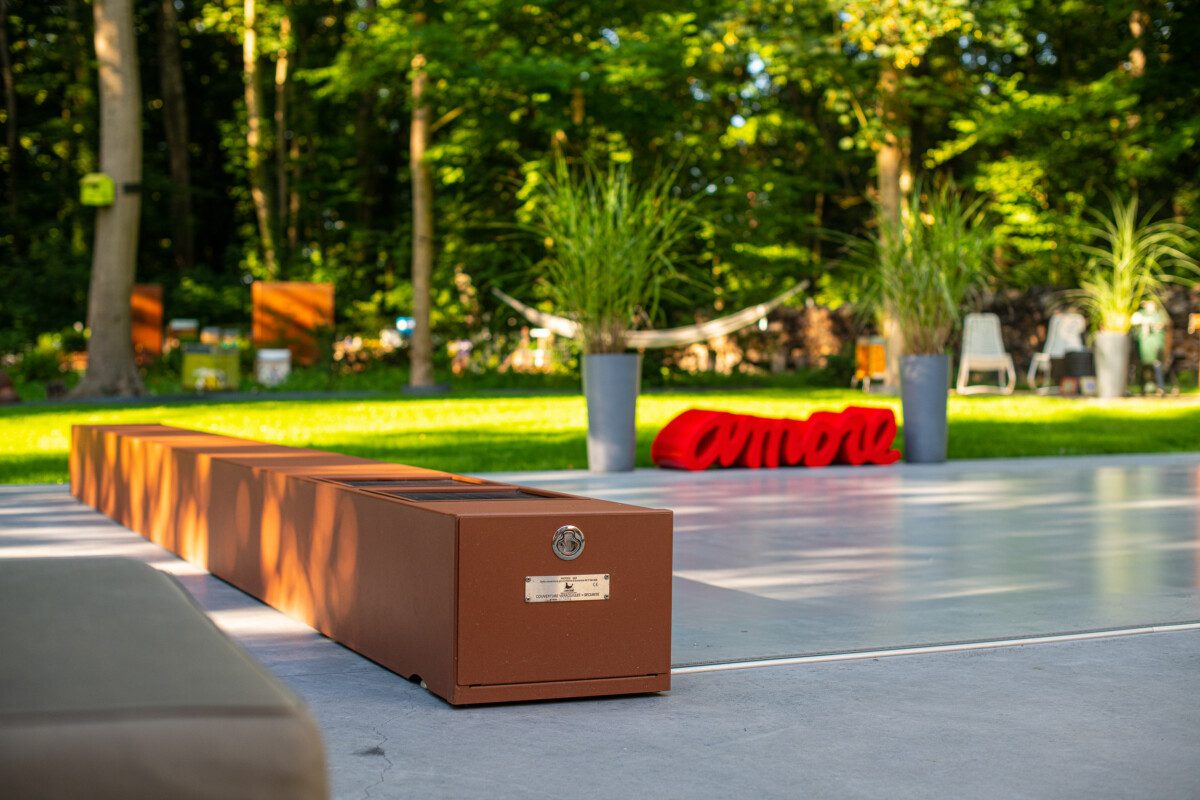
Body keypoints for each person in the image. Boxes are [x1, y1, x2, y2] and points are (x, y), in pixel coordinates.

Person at [1131, 300, 1170, 395]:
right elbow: (1133, 323)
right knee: (1143, 365)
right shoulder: (1140, 314)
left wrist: (1153, 326)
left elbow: (1165, 324)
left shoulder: (1159, 314)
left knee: (1157, 364)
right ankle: (1142, 388)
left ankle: (1160, 387)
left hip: (1156, 343)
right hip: (1144, 343)